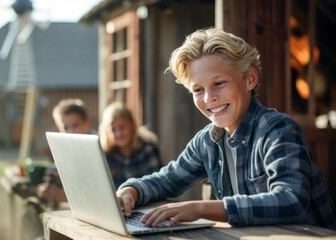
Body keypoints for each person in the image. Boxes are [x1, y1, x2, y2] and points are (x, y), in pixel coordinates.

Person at [116, 27, 336, 230]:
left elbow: (291, 201)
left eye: (219, 83)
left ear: (250, 79)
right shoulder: (207, 141)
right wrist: (131, 190)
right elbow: (167, 179)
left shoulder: (277, 129)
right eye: (198, 90)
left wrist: (201, 208)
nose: (209, 98)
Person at [36, 98, 94, 203]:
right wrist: (48, 188)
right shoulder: (66, 148)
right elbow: (54, 171)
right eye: (66, 128)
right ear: (59, 128)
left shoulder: (96, 150)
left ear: (87, 123)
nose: (71, 131)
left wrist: (63, 197)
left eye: (75, 125)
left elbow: (93, 194)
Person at [98, 101, 163, 189]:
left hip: (147, 200)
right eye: (113, 130)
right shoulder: (105, 154)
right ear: (106, 131)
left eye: (122, 127)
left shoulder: (148, 149)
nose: (118, 134)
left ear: (132, 125)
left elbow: (158, 182)